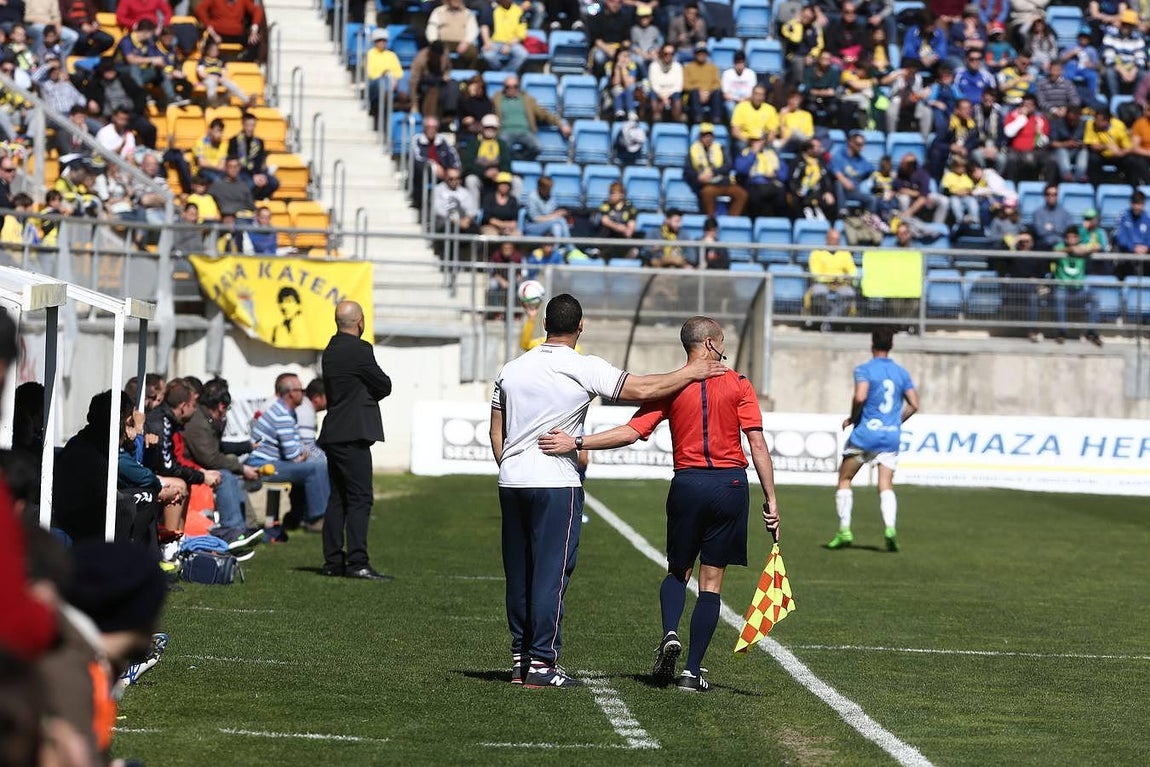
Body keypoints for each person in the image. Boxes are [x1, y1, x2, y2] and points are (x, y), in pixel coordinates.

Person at [489, 294, 727, 688]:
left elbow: (495, 427)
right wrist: (692, 372)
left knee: (520, 573)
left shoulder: (511, 369)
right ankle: (542, 664)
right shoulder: (582, 366)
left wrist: (508, 464)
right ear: (581, 326)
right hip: (555, 482)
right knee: (550, 575)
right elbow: (642, 389)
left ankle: (521, 659)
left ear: (545, 324)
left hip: (512, 481)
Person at [535, 315, 778, 692]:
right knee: (712, 581)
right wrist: (771, 499)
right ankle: (692, 672)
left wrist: (577, 442)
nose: (725, 348)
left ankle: (669, 633)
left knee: (678, 571)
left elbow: (630, 432)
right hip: (729, 485)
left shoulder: (671, 386)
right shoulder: (740, 384)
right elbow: (757, 444)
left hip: (688, 483)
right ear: (710, 344)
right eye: (722, 342)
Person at [826, 327, 919, 553]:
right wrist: (895, 422)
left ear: (872, 345)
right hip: (890, 437)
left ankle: (844, 531)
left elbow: (860, 396)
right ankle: (890, 529)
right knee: (885, 485)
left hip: (865, 435)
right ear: (891, 345)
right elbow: (914, 404)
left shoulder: (865, 369)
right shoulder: (901, 373)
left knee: (845, 479)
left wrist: (853, 418)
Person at [319, 301, 393, 580]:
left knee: (338, 498)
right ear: (360, 321)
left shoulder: (331, 349)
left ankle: (333, 561)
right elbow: (383, 384)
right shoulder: (360, 350)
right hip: (353, 434)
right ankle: (357, 562)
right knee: (360, 498)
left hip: (334, 431)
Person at [247, 373, 330, 532]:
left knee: (313, 465)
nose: (304, 394)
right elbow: (293, 455)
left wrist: (301, 453)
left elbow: (296, 447)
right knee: (317, 467)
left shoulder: (284, 411)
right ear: (291, 393)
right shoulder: (282, 415)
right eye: (301, 390)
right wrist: (302, 454)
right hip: (263, 466)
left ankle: (299, 516)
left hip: (271, 462)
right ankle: (317, 518)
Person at [1051, 226, 1103, 346]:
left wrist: (1086, 250)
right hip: (1063, 289)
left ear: (1078, 238)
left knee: (1095, 297)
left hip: (1079, 291)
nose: (1071, 239)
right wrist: (1070, 250)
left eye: (1074, 237)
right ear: (1065, 238)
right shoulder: (1060, 246)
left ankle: (1092, 332)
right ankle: (1062, 332)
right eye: (1069, 237)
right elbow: (1054, 252)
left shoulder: (1082, 247)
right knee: (1058, 296)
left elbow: (1098, 247)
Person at [808, 229, 858, 327]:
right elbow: (815, 273)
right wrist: (831, 278)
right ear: (827, 239)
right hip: (823, 283)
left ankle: (828, 322)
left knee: (849, 293)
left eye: (837, 240)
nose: (835, 242)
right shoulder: (817, 253)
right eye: (833, 239)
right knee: (819, 292)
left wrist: (843, 279)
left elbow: (853, 271)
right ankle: (832, 322)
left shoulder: (845, 253)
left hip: (841, 283)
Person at [228, 111, 280, 200]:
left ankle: (259, 198)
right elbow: (234, 162)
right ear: (243, 125)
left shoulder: (259, 142)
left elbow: (259, 161)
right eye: (248, 125)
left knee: (274, 183)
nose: (250, 128)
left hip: (256, 171)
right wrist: (253, 176)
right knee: (250, 184)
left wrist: (260, 175)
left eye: (252, 125)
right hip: (241, 171)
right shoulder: (234, 141)